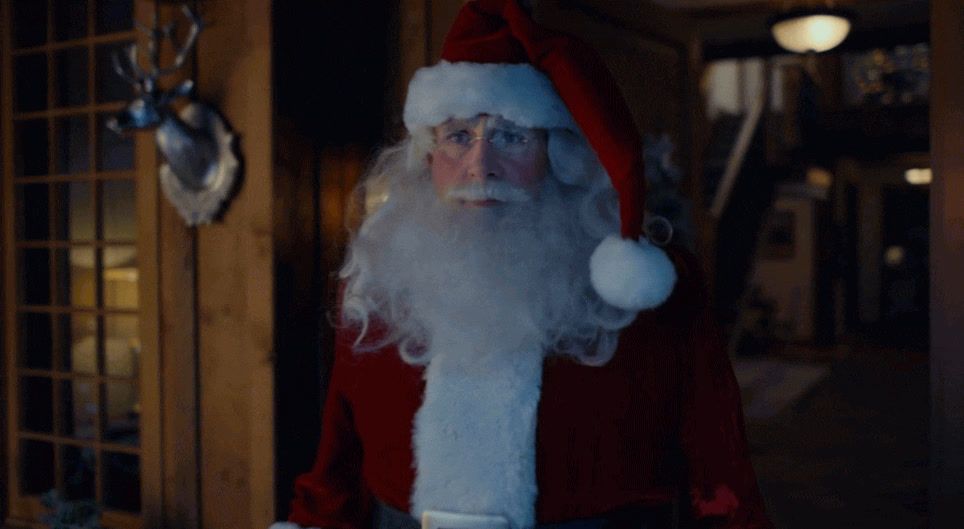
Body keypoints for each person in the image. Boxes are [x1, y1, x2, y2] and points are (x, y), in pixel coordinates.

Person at [273, 1, 773, 528]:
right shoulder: (377, 280)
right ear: (428, 154)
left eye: (512, 137)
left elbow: (720, 474)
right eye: (459, 136)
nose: (480, 166)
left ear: (558, 155)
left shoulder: (651, 292)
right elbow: (336, 468)